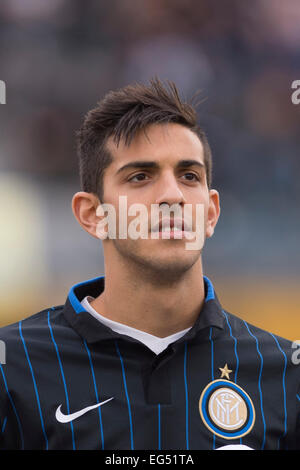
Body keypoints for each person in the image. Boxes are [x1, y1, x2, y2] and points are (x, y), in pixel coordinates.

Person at [0, 78, 299, 451]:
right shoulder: (11, 366)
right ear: (93, 214)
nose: (172, 195)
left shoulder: (289, 376)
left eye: (189, 176)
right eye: (140, 176)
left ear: (211, 212)